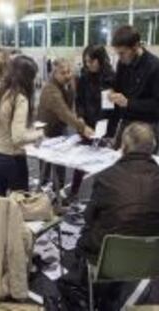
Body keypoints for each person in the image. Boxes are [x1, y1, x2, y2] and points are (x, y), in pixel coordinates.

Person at [56, 122, 159, 311]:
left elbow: (89, 218)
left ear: (123, 147)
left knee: (88, 236)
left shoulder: (106, 178)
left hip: (108, 261)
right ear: (153, 147)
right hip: (158, 260)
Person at [0, 55, 44, 196]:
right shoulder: (19, 98)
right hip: (8, 157)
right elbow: (18, 137)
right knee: (21, 201)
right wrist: (38, 134)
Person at [108, 26, 159, 152]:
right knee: (116, 163)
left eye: (122, 53)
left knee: (142, 168)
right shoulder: (122, 64)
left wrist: (128, 103)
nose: (120, 57)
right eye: (118, 53)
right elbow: (118, 87)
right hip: (126, 122)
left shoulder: (157, 67)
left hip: (148, 125)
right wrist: (112, 92)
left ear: (135, 46)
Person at [67, 45, 115, 203]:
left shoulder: (110, 78)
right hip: (86, 125)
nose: (88, 64)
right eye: (86, 61)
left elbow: (109, 109)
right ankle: (73, 192)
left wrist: (101, 131)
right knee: (80, 161)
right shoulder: (84, 76)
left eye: (91, 61)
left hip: (103, 126)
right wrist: (80, 118)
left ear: (100, 59)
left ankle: (100, 198)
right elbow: (79, 100)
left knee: (101, 163)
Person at [38, 58, 94, 190]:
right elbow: (63, 111)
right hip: (46, 129)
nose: (67, 75)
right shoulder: (50, 90)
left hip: (61, 127)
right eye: (63, 73)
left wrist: (78, 119)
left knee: (60, 162)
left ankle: (59, 189)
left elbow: (70, 107)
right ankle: (43, 188)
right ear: (54, 73)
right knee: (45, 163)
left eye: (69, 72)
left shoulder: (69, 83)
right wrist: (82, 127)